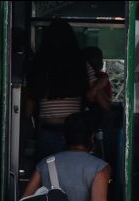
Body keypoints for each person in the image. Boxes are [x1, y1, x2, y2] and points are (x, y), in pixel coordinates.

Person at [25, 20, 110, 160]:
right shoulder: (81, 64)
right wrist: (97, 86)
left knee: (46, 175)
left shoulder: (38, 66)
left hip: (47, 130)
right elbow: (105, 106)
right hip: (74, 133)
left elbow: (28, 111)